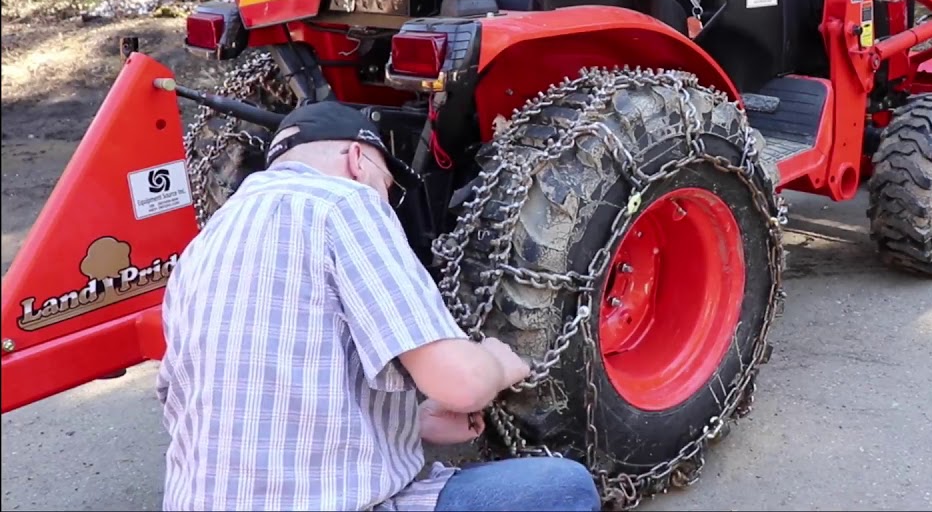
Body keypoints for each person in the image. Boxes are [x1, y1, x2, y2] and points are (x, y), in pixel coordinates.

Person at [156, 101, 601, 512]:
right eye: (388, 185)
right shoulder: (345, 203)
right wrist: (498, 362)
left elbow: (252, 398)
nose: (386, 200)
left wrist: (412, 423)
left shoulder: (201, 248)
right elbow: (463, 383)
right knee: (563, 487)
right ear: (357, 160)